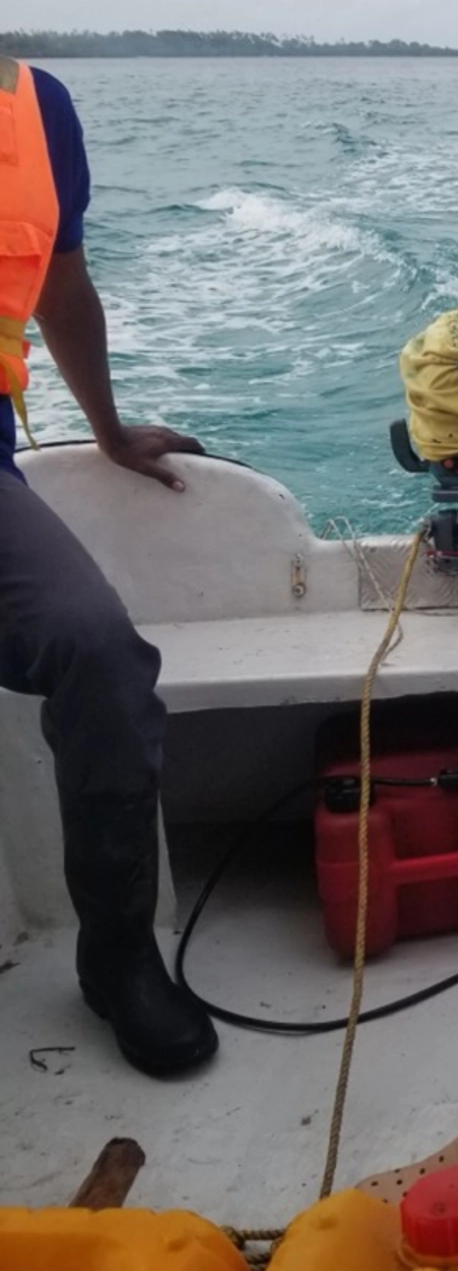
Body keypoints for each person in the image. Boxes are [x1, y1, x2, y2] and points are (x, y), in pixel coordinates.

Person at [0, 55, 216, 1074]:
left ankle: (119, 954)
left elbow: (61, 280)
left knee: (100, 651)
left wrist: (109, 428)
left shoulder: (35, 108)